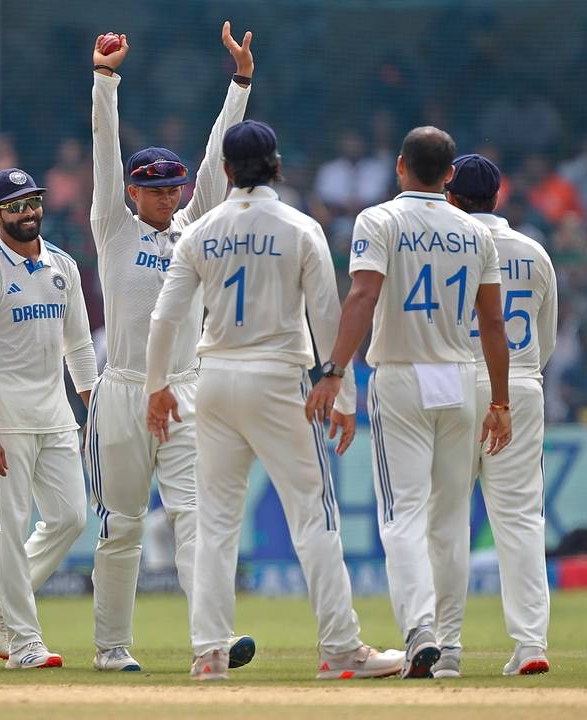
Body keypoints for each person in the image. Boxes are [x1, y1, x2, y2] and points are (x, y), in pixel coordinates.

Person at [145, 120, 403, 682]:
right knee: (313, 515)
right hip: (277, 379)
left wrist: (156, 386)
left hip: (214, 379)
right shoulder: (300, 227)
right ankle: (341, 650)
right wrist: (342, 391)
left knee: (214, 523)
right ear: (277, 166)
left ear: (227, 170)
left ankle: (210, 653)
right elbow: (327, 315)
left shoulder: (200, 231)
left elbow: (166, 316)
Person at [306, 127, 512, 679]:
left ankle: (420, 630)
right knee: (450, 521)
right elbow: (493, 324)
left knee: (402, 515)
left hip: (401, 376)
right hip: (459, 377)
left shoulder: (378, 220)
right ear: (450, 174)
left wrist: (334, 370)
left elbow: (363, 295)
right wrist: (500, 401)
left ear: (400, 166)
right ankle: (450, 649)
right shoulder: (476, 232)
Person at [86, 21, 255, 673]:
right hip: (124, 389)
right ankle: (111, 648)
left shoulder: (195, 226)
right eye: (154, 188)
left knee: (194, 518)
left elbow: (217, 159)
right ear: (131, 192)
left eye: (172, 187)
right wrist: (105, 79)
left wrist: (240, 83)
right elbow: (105, 149)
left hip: (185, 389)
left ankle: (211, 643)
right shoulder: (113, 227)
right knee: (122, 527)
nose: (166, 196)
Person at [0, 169, 98, 669]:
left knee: (70, 518)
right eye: (15, 206)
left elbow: (79, 346)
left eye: (33, 202)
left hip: (55, 416)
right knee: (8, 532)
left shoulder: (63, 265)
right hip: (5, 422)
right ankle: (24, 641)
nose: (28, 212)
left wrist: (93, 410)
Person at [435, 154, 556, 677]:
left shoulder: (445, 248)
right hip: (522, 384)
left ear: (451, 197)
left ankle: (445, 647)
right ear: (497, 196)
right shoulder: (534, 251)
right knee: (522, 519)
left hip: (455, 382)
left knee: (447, 517)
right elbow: (546, 337)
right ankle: (531, 644)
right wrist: (518, 380)